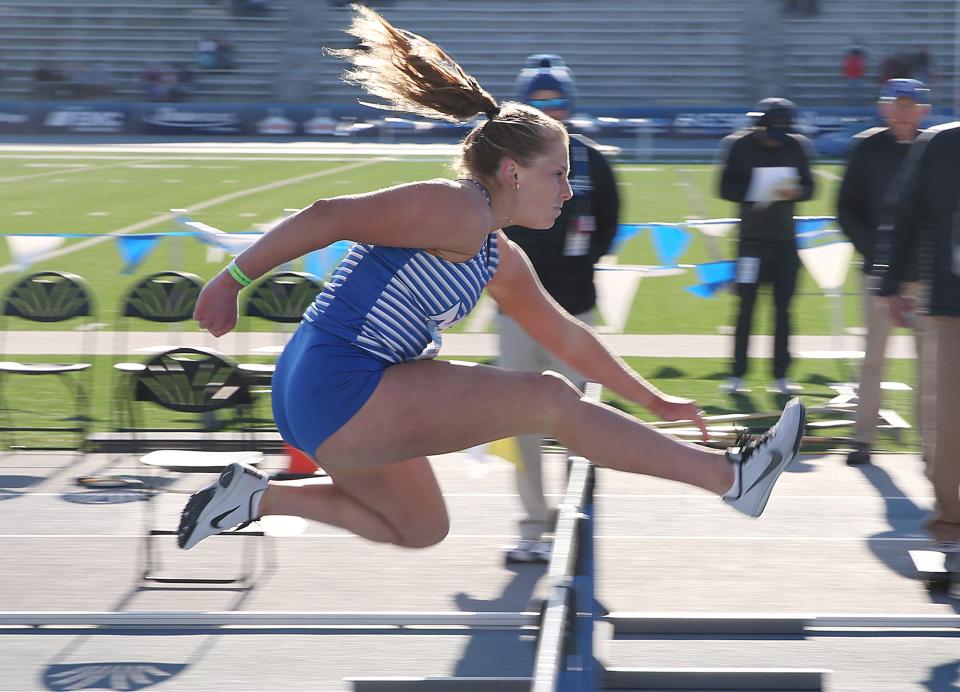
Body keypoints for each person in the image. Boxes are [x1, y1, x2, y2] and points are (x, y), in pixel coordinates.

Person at [176, 5, 806, 556]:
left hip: (323, 396)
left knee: (420, 526)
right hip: (337, 383)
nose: (568, 191)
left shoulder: (495, 253)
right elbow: (327, 216)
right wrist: (232, 278)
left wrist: (653, 399)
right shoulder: (457, 210)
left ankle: (253, 501)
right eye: (557, 175)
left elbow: (568, 336)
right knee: (550, 398)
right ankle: (731, 478)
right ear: (511, 172)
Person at [496, 55, 619, 563]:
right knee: (518, 423)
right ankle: (532, 525)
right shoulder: (502, 166)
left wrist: (574, 272)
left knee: (582, 423)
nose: (549, 114)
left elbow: (608, 226)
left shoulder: (593, 160)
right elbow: (485, 226)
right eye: (538, 106)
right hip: (515, 314)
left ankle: (575, 522)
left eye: (556, 105)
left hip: (573, 313)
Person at [876, 120, 960, 592]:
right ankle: (950, 528)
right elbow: (903, 213)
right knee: (948, 427)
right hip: (952, 308)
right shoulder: (941, 144)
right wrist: (891, 283)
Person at [837, 78, 933, 466]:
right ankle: (863, 437)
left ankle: (931, 443)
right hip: (878, 272)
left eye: (911, 105)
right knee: (873, 357)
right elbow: (847, 209)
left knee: (930, 361)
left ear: (924, 109)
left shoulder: (936, 148)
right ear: (884, 107)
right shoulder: (867, 148)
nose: (904, 112)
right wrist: (877, 254)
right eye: (897, 104)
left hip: (925, 274)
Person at [717, 97, 815, 396]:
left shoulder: (796, 145)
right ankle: (737, 374)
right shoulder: (739, 145)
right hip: (751, 242)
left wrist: (792, 190)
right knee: (745, 309)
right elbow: (724, 187)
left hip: (785, 242)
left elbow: (810, 187)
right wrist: (756, 190)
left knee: (783, 310)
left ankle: (781, 374)